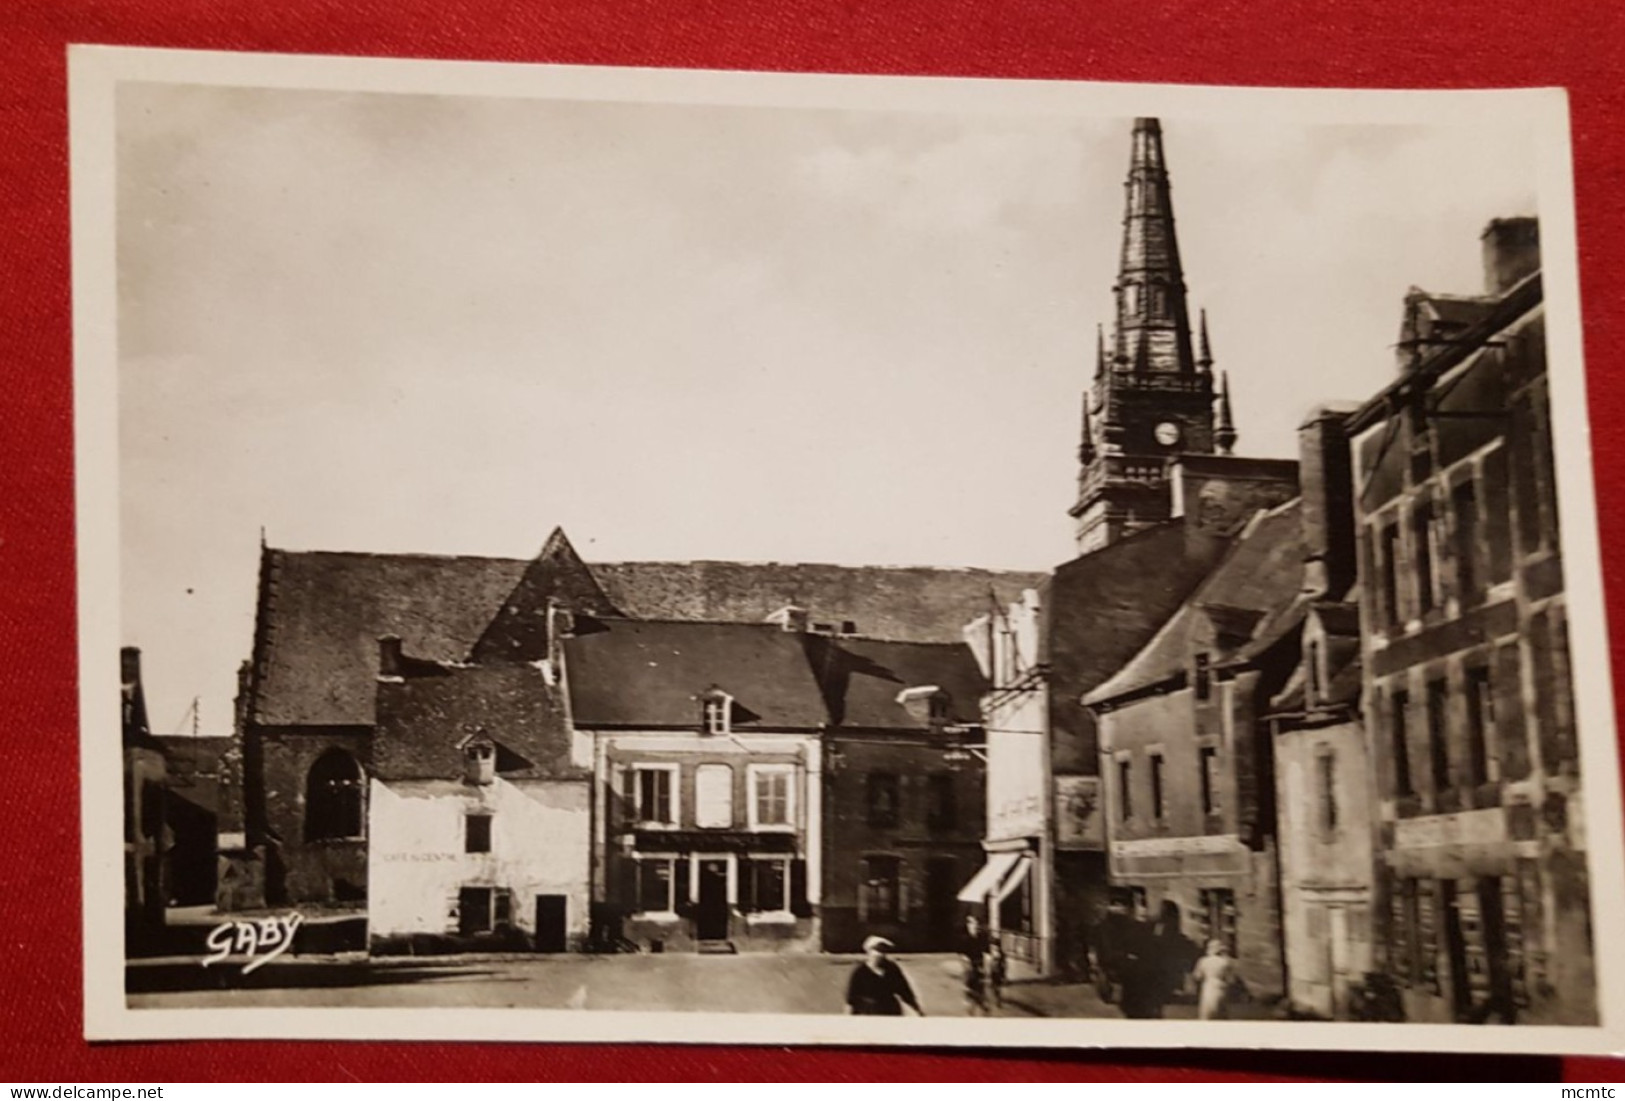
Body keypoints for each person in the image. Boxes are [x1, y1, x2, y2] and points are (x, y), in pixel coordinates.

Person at [845, 935, 925, 1016]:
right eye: (877, 950)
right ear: (869, 951)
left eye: (883, 951)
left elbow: (905, 991)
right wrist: (848, 1019)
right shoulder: (860, 972)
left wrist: (917, 1010)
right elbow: (851, 999)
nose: (880, 954)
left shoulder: (892, 969)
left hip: (890, 1011)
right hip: (867, 1013)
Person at [1192, 938, 1239, 1020]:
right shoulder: (1225, 962)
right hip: (1221, 987)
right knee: (1221, 1015)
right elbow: (1231, 980)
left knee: (1207, 1013)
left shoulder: (1203, 961)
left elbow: (1197, 976)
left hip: (1208, 986)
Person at [958, 916, 990, 1016]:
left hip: (979, 965)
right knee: (969, 988)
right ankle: (970, 1008)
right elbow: (961, 954)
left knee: (980, 987)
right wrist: (966, 961)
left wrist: (987, 962)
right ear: (968, 926)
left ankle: (982, 1004)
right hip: (969, 967)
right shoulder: (964, 939)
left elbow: (986, 952)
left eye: (976, 924)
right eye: (972, 924)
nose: (975, 926)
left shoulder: (981, 938)